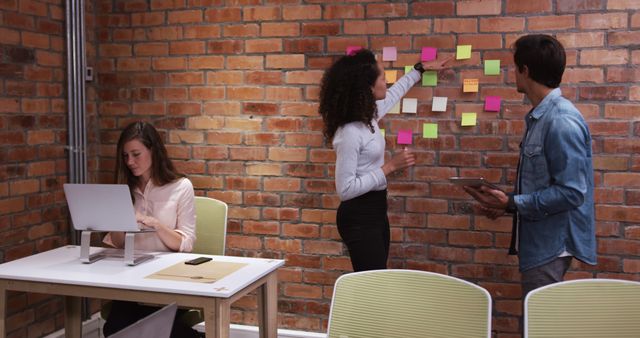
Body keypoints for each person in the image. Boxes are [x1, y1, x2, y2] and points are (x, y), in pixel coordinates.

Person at [462, 35, 596, 298]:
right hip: (542, 240)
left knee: (539, 327)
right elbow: (546, 185)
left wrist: (513, 203)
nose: (514, 73)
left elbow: (572, 192)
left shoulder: (560, 121)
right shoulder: (541, 117)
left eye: (515, 67)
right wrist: (507, 203)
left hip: (551, 244)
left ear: (525, 70)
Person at [319, 49, 450, 271]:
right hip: (358, 215)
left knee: (376, 278)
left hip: (376, 209)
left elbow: (395, 92)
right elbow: (345, 189)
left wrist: (420, 69)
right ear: (368, 87)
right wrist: (390, 167)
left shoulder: (367, 116)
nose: (386, 80)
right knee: (372, 284)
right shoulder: (350, 132)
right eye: (381, 76)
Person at [102, 121, 199, 338]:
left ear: (153, 150)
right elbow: (116, 243)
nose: (130, 161)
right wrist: (116, 220)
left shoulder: (181, 187)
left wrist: (155, 224)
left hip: (168, 279)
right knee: (113, 329)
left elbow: (186, 243)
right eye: (125, 156)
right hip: (130, 278)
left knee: (148, 326)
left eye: (136, 154)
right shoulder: (124, 189)